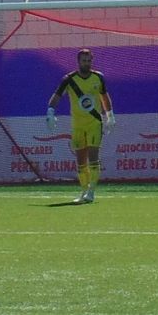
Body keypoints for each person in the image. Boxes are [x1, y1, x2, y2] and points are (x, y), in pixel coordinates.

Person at [46, 48, 114, 204]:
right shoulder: (69, 79)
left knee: (93, 157)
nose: (87, 63)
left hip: (94, 123)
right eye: (84, 61)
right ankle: (84, 190)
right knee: (80, 161)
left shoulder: (98, 77)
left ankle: (91, 192)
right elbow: (56, 96)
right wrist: (50, 112)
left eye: (89, 60)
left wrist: (110, 116)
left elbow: (104, 97)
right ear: (78, 62)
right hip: (77, 124)